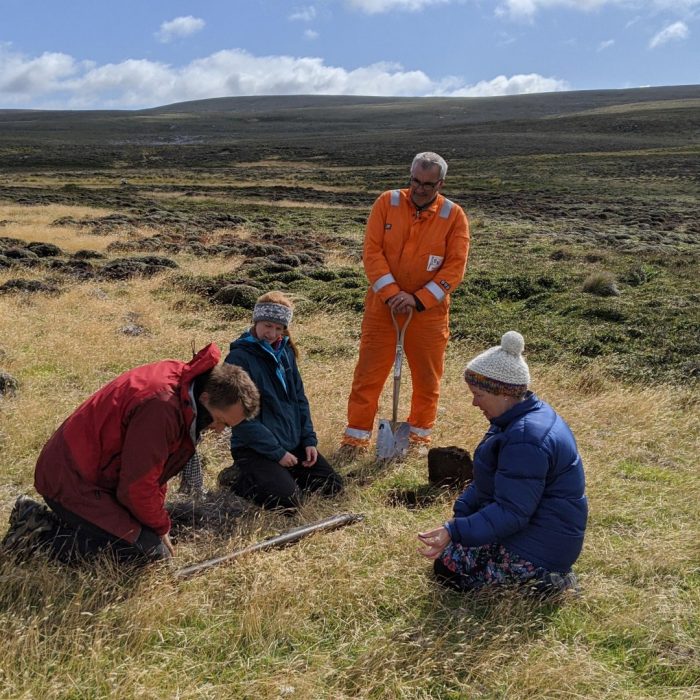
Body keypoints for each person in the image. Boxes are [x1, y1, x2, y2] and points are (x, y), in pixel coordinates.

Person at [2, 344, 260, 565]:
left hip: (94, 474)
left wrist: (154, 521)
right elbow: (136, 487)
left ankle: (70, 526)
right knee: (145, 556)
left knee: (146, 539)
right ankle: (36, 535)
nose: (218, 431)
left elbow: (152, 470)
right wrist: (160, 527)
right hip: (72, 480)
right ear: (206, 398)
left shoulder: (184, 388)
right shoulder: (162, 408)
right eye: (221, 422)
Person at [418, 331, 588, 596]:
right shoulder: (519, 418)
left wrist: (455, 529)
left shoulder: (525, 438)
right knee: (453, 558)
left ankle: (548, 583)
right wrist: (462, 514)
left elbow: (512, 512)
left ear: (504, 393)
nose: (474, 402)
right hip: (541, 534)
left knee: (448, 572)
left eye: (478, 394)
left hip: (540, 549)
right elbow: (492, 483)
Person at [339, 151, 470, 457]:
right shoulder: (387, 202)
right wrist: (392, 293)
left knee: (427, 379)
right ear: (410, 176)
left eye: (429, 184)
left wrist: (418, 299)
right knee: (368, 375)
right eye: (416, 181)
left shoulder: (454, 216)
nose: (420, 189)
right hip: (382, 310)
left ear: (441, 183)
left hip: (428, 315)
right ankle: (355, 440)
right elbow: (372, 252)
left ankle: (418, 441)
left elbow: (455, 266)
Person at [219, 292, 343, 510]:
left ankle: (282, 475)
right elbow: (240, 419)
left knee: (332, 486)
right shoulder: (237, 359)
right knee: (288, 503)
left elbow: (299, 399)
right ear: (255, 321)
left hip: (292, 443)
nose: (272, 333)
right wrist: (277, 453)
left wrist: (308, 441)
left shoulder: (285, 352)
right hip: (255, 449)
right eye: (267, 326)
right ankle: (235, 478)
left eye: (279, 328)